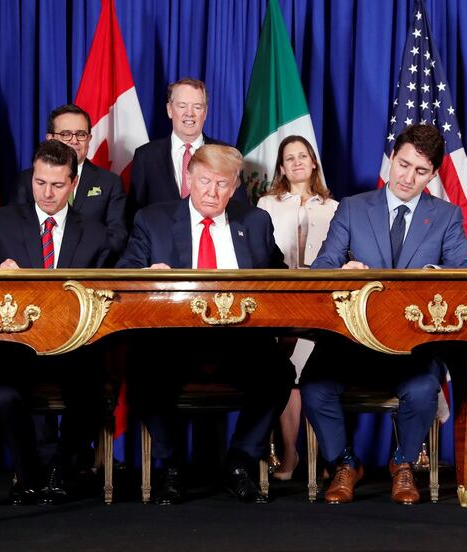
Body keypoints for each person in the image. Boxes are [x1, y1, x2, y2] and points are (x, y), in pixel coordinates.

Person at [302, 124, 467, 505]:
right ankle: (345, 464)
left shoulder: (446, 216)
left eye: (420, 171)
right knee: (314, 388)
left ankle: (402, 464)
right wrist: (340, 272)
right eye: (403, 164)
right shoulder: (352, 207)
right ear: (392, 159)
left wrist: (434, 276)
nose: (408, 177)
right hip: (352, 342)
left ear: (432, 175)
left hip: (413, 346)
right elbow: (322, 267)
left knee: (422, 390)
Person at [117, 144, 295, 505]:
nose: (212, 193)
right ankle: (172, 467)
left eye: (222, 184)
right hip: (173, 344)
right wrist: (146, 277)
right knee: (141, 368)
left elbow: (280, 282)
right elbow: (122, 277)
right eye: (204, 181)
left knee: (279, 372)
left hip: (240, 345)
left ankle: (240, 461)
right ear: (189, 179)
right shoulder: (153, 220)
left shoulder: (255, 222)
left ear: (234, 187)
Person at [0, 139, 111, 505]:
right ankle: (29, 472)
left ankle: (61, 472)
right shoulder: (4, 221)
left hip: (74, 348)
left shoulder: (96, 234)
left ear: (74, 183)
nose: (46, 193)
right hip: (17, 346)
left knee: (91, 395)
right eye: (39, 182)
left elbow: (107, 296)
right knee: (3, 396)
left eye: (57, 185)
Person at [256, 136, 338, 480]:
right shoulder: (266, 205)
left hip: (320, 302)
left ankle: (322, 459)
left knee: (312, 374)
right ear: (281, 167)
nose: (297, 162)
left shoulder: (334, 208)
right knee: (285, 375)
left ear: (313, 162)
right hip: (279, 298)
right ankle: (290, 457)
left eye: (302, 156)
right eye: (289, 158)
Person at [12, 104, 127, 261]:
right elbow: (13, 231)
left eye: (81, 134)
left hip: (90, 272)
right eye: (65, 134)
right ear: (50, 139)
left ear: (89, 138)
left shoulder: (110, 182)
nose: (74, 140)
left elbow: (117, 238)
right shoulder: (26, 180)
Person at [127, 78, 248, 223]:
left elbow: (240, 210)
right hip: (161, 243)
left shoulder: (227, 155)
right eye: (182, 106)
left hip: (210, 242)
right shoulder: (146, 156)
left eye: (197, 107)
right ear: (170, 110)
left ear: (205, 112)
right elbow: (134, 215)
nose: (189, 113)